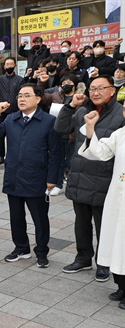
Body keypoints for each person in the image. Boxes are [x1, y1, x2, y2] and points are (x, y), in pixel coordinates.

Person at [55, 75, 125, 281]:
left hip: (104, 180)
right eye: (92, 89)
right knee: (81, 222)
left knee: (105, 224)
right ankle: (83, 257)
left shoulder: (120, 115)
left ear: (112, 91)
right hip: (79, 175)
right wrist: (70, 106)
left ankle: (104, 263)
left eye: (101, 88)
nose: (95, 93)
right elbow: (60, 129)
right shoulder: (83, 111)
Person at [0, 84, 61, 268]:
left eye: (26, 95)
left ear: (38, 99)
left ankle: (42, 252)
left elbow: (56, 153)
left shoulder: (48, 121)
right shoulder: (11, 119)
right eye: (19, 95)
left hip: (36, 178)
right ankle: (21, 248)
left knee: (40, 219)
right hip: (14, 177)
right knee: (16, 217)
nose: (21, 99)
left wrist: (53, 179)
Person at [78, 109, 125, 309]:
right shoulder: (121, 134)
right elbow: (100, 152)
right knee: (117, 241)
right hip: (118, 196)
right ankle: (122, 286)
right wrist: (90, 127)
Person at [0, 57, 26, 165]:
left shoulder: (20, 79)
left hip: (15, 111)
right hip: (2, 111)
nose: (9, 66)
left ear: (15, 66)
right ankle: (1, 156)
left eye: (11, 64)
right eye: (7, 64)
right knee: (1, 135)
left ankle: (15, 154)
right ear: (4, 66)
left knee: (15, 134)